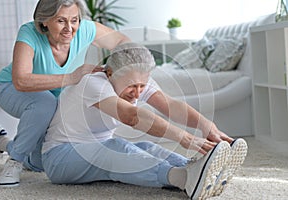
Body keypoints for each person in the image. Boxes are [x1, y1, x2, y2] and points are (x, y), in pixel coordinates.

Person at [40, 43, 248, 199]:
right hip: (60, 157)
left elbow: (170, 105)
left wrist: (206, 126)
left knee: (146, 146)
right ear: (110, 73)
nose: (137, 92)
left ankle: (196, 169)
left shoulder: (135, 77)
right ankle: (182, 178)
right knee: (117, 147)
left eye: (142, 85)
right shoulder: (92, 83)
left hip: (95, 147)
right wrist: (184, 137)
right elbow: (132, 116)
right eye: (132, 86)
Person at [0, 0, 130, 187]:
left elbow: (123, 42)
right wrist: (71, 78)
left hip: (51, 95)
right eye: (61, 21)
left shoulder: (85, 29)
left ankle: (1, 141)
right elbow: (21, 80)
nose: (69, 28)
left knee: (42, 161)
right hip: (11, 88)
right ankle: (15, 161)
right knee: (45, 103)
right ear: (45, 20)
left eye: (74, 20)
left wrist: (115, 68)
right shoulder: (29, 32)